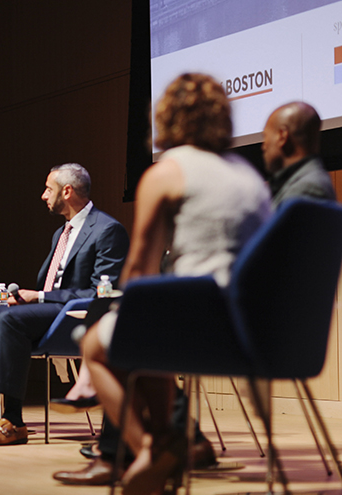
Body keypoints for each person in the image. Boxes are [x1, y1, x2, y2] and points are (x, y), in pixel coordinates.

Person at [81, 73, 271, 494]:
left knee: (95, 345)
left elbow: (139, 271)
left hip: (198, 321)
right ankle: (167, 439)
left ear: (165, 118)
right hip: (257, 329)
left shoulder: (167, 173)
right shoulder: (250, 176)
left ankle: (149, 448)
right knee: (147, 333)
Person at [0, 163, 130, 446]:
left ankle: (13, 422)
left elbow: (101, 292)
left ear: (67, 191)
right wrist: (31, 298)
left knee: (11, 320)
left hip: (76, 316)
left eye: (48, 189)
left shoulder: (107, 229)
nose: (43, 195)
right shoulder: (61, 233)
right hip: (49, 309)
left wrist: (38, 297)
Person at [262, 101, 335, 207]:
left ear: (282, 136)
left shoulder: (307, 189)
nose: (263, 146)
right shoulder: (299, 183)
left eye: (265, 137)